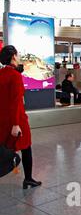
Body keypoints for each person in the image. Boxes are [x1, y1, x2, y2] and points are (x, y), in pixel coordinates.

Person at [0, 45, 41, 189]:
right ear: (13, 57)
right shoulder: (15, 76)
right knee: (26, 147)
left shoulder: (2, 73)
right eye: (17, 55)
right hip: (16, 119)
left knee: (4, 146)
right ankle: (28, 179)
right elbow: (16, 101)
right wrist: (16, 124)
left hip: (3, 119)